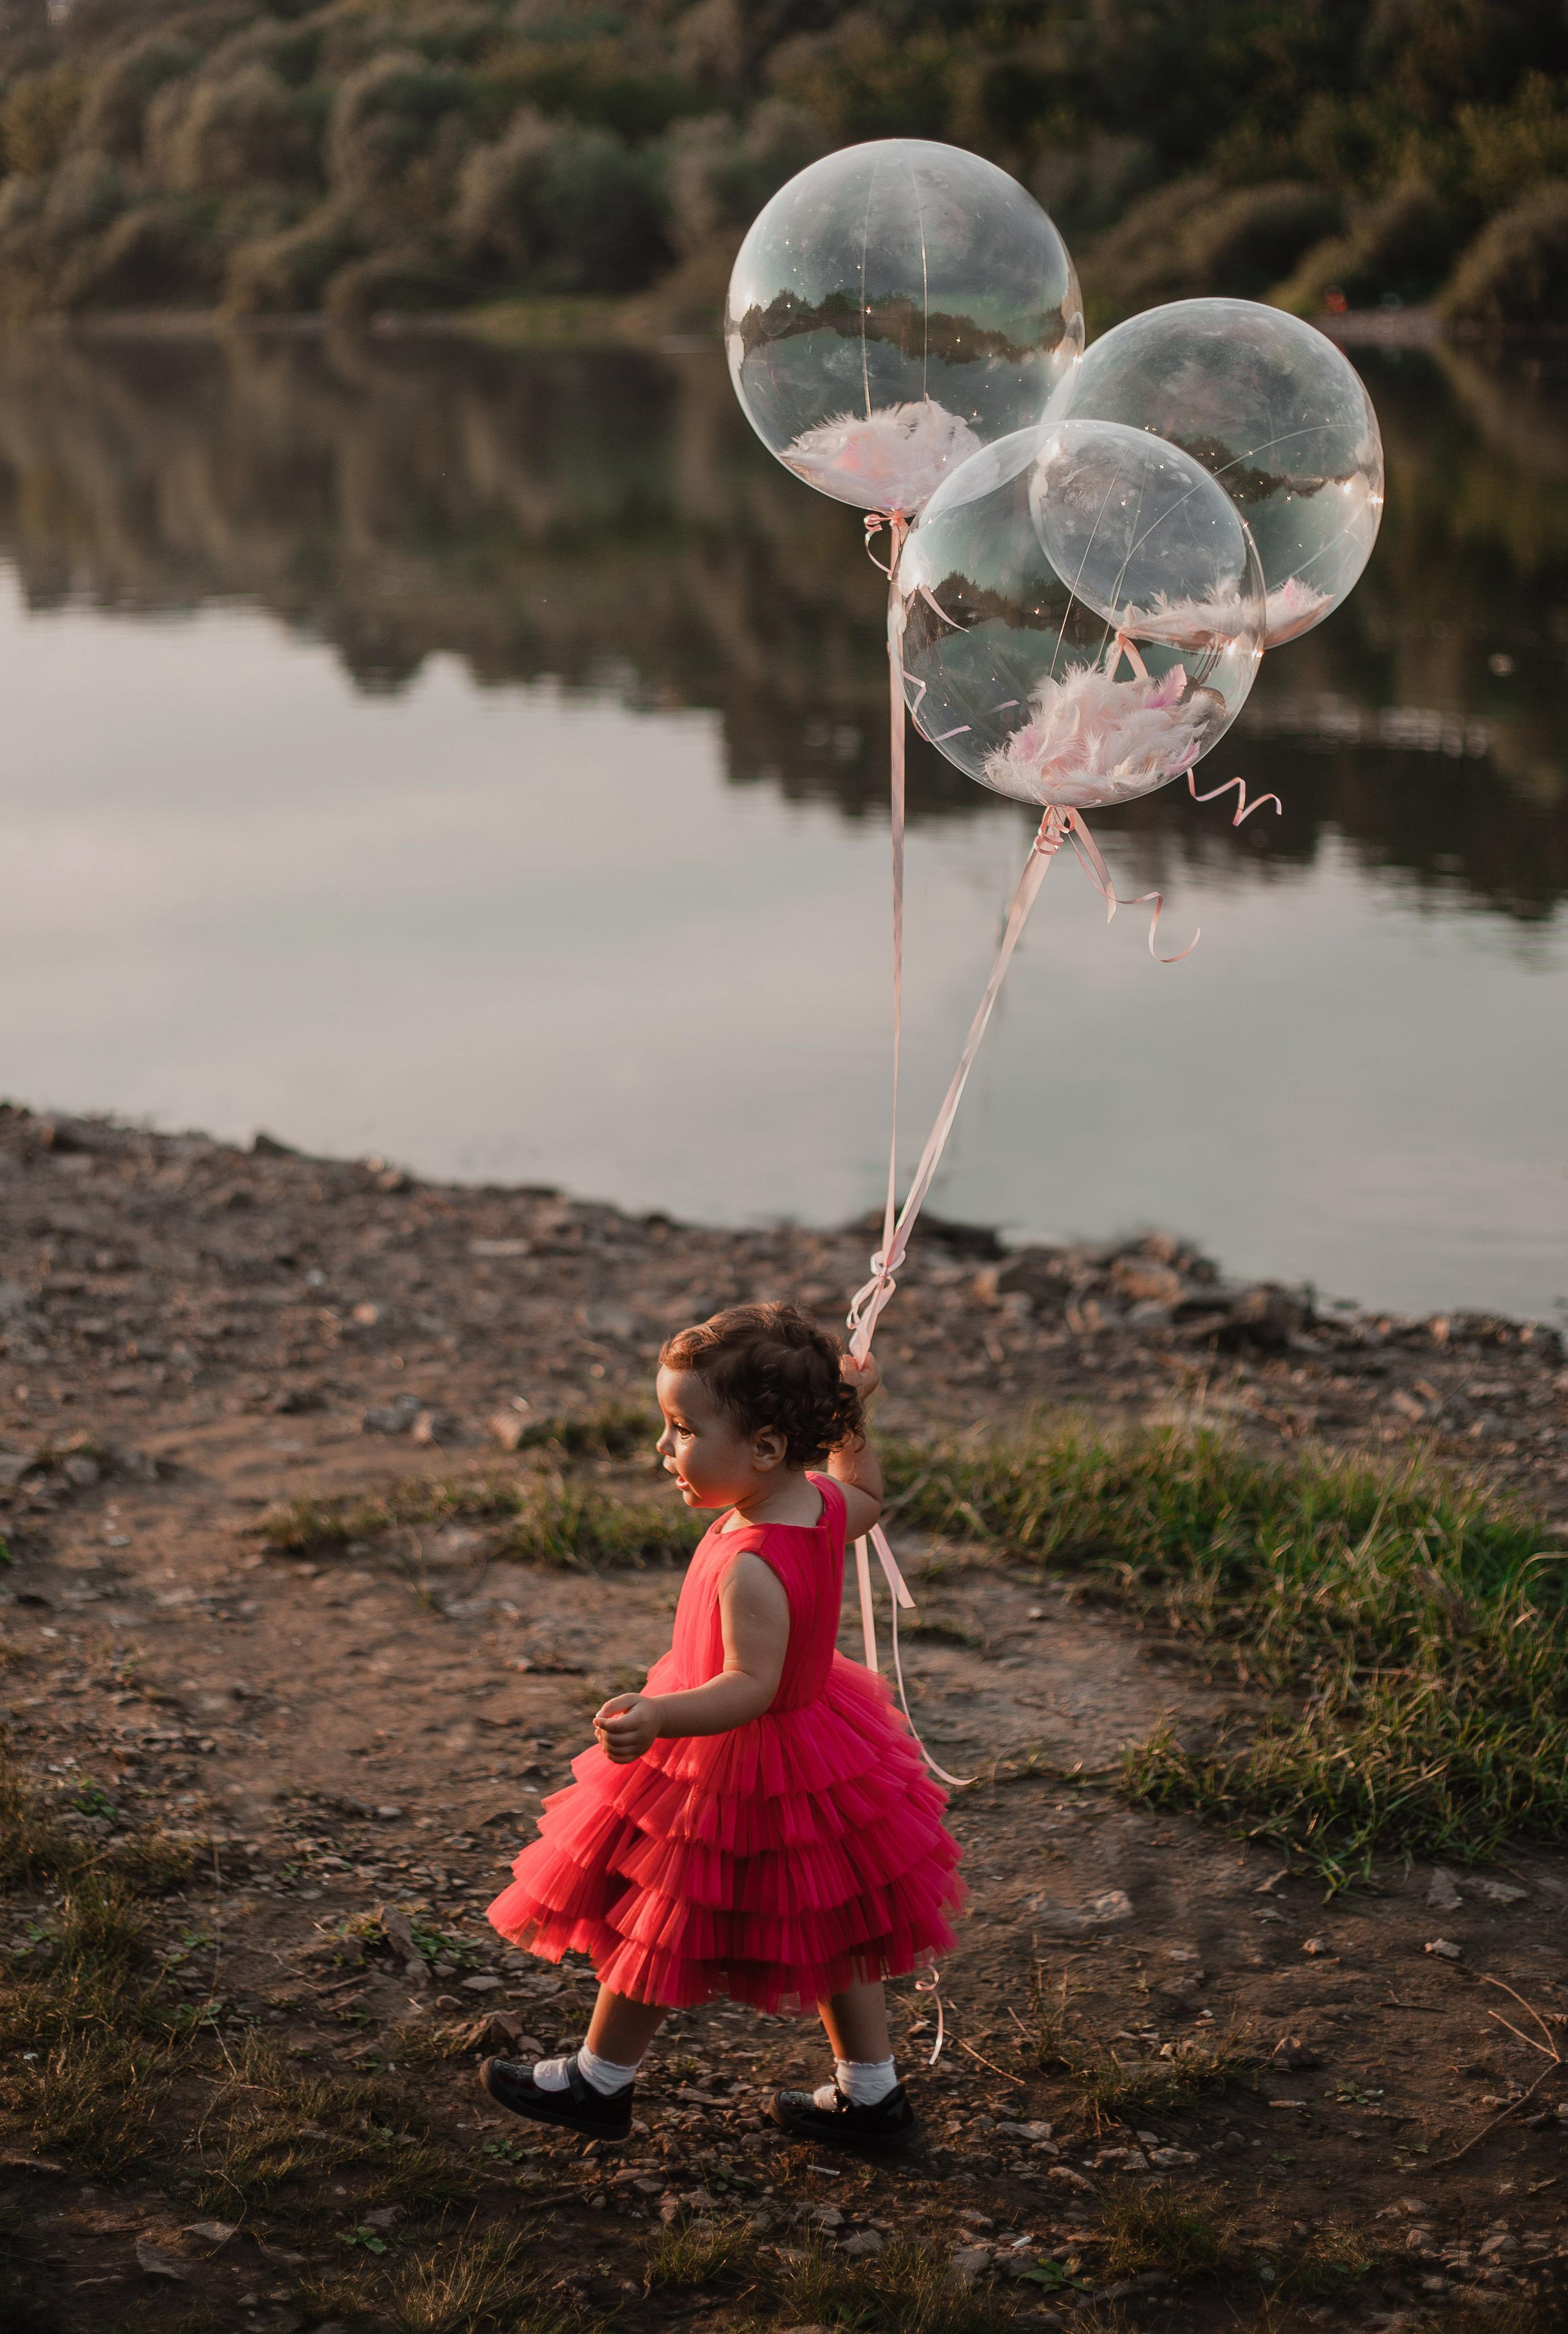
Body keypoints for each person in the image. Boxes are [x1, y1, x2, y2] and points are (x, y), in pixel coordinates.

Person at [481, 1302, 963, 2151]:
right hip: (821, 1747)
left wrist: (662, 1714)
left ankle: (600, 2082)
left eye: (682, 1430)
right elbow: (868, 1495)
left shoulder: (752, 1563)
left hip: (735, 1755)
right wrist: (855, 1415)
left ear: (766, 1448)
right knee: (837, 1922)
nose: (663, 1447)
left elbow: (750, 1685)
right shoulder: (817, 1505)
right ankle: (872, 2094)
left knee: (663, 1912)